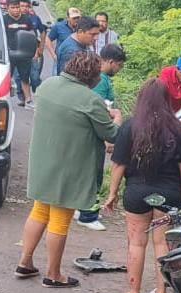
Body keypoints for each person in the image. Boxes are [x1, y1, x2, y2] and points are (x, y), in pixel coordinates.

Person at [16, 52, 121, 288]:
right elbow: (111, 134)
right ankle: (53, 274)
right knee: (60, 220)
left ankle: (25, 261)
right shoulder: (89, 99)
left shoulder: (48, 86)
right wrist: (116, 118)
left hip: (43, 160)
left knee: (40, 211)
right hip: (69, 166)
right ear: (92, 76)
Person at [103, 80, 181, 293]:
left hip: (137, 192)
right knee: (163, 243)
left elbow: (119, 165)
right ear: (168, 100)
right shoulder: (178, 128)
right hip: (169, 193)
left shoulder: (131, 126)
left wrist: (112, 194)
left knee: (136, 243)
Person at [74, 43, 126, 232]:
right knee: (92, 175)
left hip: (97, 130)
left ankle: (82, 209)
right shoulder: (100, 81)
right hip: (97, 132)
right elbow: (97, 110)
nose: (119, 70)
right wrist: (109, 136)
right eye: (119, 66)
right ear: (111, 62)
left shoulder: (101, 79)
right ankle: (88, 215)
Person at [2, 0, 41, 107]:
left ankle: (28, 100)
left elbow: (33, 35)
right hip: (9, 53)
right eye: (13, 8)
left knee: (25, 77)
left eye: (17, 7)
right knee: (6, 77)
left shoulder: (26, 19)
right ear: (8, 8)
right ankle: (3, 98)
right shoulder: (4, 20)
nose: (16, 10)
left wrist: (36, 51)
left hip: (24, 53)